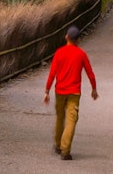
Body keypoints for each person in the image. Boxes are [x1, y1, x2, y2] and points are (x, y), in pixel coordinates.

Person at [43, 25, 98, 160]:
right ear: (78, 40)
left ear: (66, 37)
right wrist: (94, 89)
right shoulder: (81, 54)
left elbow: (52, 74)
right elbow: (90, 73)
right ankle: (65, 150)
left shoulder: (59, 53)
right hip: (74, 93)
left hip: (59, 91)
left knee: (60, 117)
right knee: (71, 121)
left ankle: (57, 144)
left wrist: (47, 91)